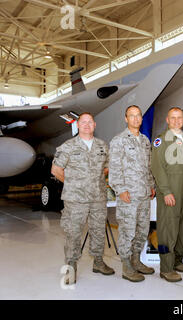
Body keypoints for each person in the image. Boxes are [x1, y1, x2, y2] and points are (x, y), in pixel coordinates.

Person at [51, 112, 114, 285]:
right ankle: (71, 268)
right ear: (78, 126)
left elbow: (107, 167)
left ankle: (99, 263)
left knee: (98, 231)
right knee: (73, 233)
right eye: (83, 122)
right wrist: (73, 184)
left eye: (90, 122)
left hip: (98, 198)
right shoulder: (68, 146)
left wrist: (95, 180)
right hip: (75, 200)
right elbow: (56, 170)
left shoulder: (102, 146)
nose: (87, 125)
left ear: (94, 125)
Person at [109, 105, 156, 282]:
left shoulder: (144, 140)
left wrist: (151, 185)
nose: (135, 119)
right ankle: (126, 266)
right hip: (128, 195)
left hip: (144, 193)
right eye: (132, 116)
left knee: (142, 230)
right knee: (127, 231)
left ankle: (136, 260)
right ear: (126, 118)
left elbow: (149, 166)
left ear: (141, 119)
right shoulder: (119, 140)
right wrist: (120, 190)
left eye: (138, 116)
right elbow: (114, 168)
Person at [151, 107, 183, 283]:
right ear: (167, 120)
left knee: (182, 226)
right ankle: (166, 268)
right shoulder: (161, 140)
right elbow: (157, 168)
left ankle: (177, 261)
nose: (176, 121)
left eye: (179, 118)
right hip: (169, 190)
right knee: (168, 229)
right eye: (172, 118)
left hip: (182, 190)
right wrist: (166, 191)